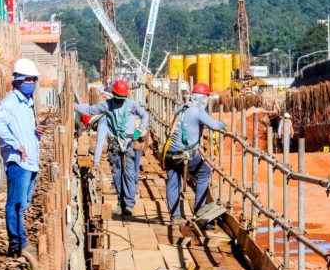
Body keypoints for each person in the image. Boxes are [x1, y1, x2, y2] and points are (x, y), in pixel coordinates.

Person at [0, 58, 44, 257]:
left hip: (31, 161)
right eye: (27, 80)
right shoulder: (11, 102)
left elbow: (23, 129)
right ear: (18, 81)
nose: (31, 83)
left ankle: (21, 241)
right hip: (18, 161)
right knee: (15, 204)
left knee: (23, 204)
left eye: (33, 80)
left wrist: (36, 132)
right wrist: (15, 145)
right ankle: (16, 244)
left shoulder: (28, 103)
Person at [75, 79, 149, 216]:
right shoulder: (106, 105)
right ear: (113, 94)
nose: (120, 100)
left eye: (123, 98)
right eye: (118, 98)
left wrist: (140, 130)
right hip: (115, 144)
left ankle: (130, 204)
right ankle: (121, 203)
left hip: (128, 142)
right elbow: (89, 110)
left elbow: (145, 115)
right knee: (117, 173)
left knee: (129, 173)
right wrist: (74, 106)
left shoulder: (131, 104)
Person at [164, 82, 226, 224]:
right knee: (204, 171)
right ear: (204, 98)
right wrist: (223, 124)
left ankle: (175, 217)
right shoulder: (198, 111)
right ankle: (199, 208)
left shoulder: (181, 108)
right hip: (184, 154)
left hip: (169, 152)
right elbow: (215, 125)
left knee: (173, 182)